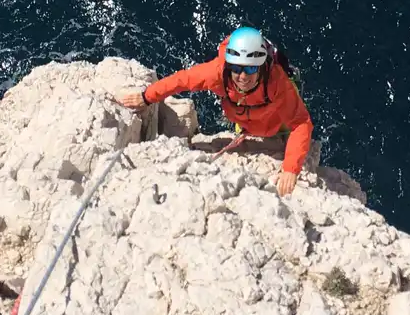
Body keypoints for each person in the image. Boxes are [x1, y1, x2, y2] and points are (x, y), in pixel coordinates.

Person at [118, 26, 314, 196]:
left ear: (261, 67)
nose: (242, 76)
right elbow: (181, 80)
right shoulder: (218, 73)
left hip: (276, 120)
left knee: (287, 131)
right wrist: (147, 97)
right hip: (244, 118)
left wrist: (290, 168)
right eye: (236, 68)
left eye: (250, 69)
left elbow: (301, 122)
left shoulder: (276, 83)